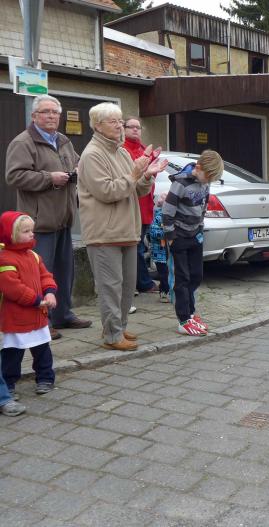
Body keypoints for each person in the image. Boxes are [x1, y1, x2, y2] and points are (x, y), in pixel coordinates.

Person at [78, 102, 166, 351]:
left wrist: (146, 175)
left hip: (127, 230)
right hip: (104, 233)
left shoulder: (122, 152)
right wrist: (135, 174)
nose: (119, 126)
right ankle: (112, 336)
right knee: (110, 288)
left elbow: (136, 189)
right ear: (98, 126)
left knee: (127, 287)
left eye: (120, 121)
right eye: (113, 121)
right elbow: (107, 191)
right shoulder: (92, 154)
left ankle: (118, 326)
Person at [5, 94, 92, 340]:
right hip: (38, 222)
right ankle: (43, 321)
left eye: (55, 112)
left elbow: (78, 163)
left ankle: (63, 314)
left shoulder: (63, 140)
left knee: (64, 271)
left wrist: (78, 170)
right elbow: (14, 176)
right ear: (34, 116)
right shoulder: (23, 142)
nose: (51, 116)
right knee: (38, 274)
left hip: (64, 217)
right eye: (45, 112)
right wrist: (48, 178)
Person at [161, 150, 224, 336]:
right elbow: (167, 211)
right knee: (182, 278)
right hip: (179, 237)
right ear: (198, 168)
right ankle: (183, 319)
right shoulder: (180, 184)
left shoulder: (205, 183)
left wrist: (200, 228)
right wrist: (170, 236)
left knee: (196, 275)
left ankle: (190, 313)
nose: (208, 181)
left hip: (195, 235)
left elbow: (203, 206)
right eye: (208, 177)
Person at [0, 211, 57, 407]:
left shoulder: (34, 256)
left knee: (42, 348)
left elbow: (45, 276)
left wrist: (50, 292)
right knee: (13, 352)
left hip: (38, 314)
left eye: (31, 230)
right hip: (17, 317)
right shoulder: (5, 259)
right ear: (11, 234)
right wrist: (35, 300)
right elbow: (12, 288)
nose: (32, 234)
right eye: (26, 231)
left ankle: (46, 377)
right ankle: (8, 384)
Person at [122, 116, 159, 295]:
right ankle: (142, 283)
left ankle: (136, 282)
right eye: (132, 127)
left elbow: (152, 176)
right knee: (135, 246)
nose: (136, 130)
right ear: (124, 129)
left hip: (146, 205)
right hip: (133, 204)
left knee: (139, 246)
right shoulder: (122, 150)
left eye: (138, 127)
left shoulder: (144, 149)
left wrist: (153, 160)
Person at [149, 192, 172, 303]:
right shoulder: (159, 217)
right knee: (163, 273)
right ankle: (164, 292)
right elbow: (153, 232)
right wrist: (167, 233)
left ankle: (166, 290)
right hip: (159, 251)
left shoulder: (169, 216)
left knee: (167, 271)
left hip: (166, 250)